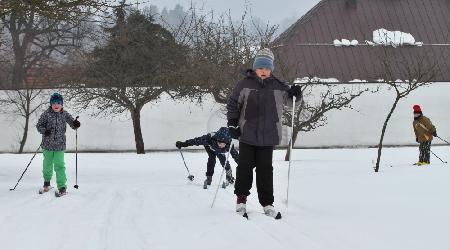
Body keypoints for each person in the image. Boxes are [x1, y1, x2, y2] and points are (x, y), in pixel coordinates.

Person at [226, 48, 301, 219]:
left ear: (271, 69)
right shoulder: (244, 84)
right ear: (255, 68)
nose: (264, 71)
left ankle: (267, 203)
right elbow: (232, 105)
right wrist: (232, 124)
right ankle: (241, 199)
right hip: (247, 134)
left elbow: (291, 103)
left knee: (265, 170)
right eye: (261, 68)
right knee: (244, 168)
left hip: (269, 136)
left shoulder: (279, 86)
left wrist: (297, 94)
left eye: (267, 68)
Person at [36, 93, 80, 196]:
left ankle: (62, 187)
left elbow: (72, 123)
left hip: (59, 146)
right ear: (51, 104)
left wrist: (75, 124)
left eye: (59, 103)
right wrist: (44, 131)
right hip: (47, 145)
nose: (56, 105)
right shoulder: (46, 114)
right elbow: (39, 126)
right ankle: (46, 183)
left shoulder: (64, 114)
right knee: (47, 165)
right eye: (54, 103)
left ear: (62, 104)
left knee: (59, 166)